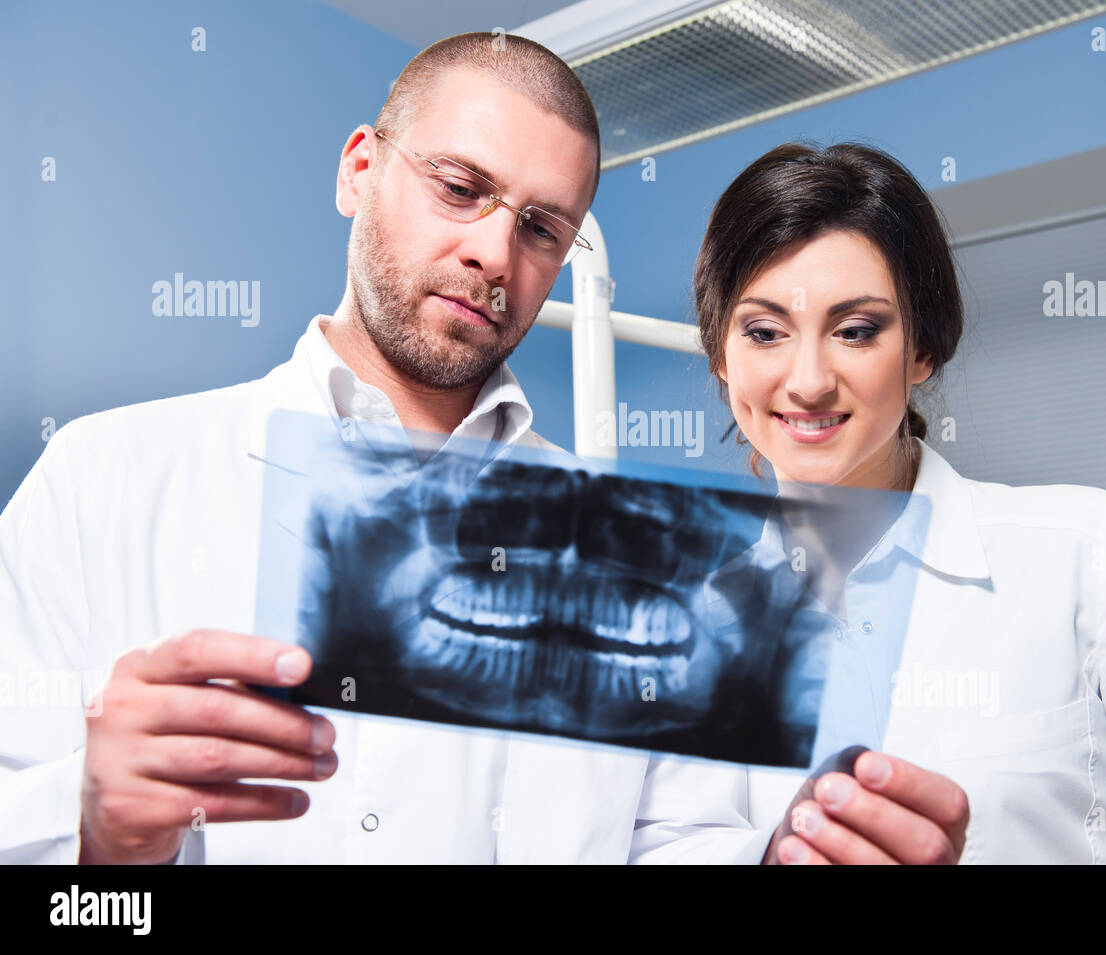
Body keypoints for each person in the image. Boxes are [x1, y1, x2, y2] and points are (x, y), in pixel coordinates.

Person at [0, 33, 965, 865]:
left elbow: (673, 841)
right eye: (461, 188)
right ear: (359, 168)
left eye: (543, 229)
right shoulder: (103, 483)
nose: (495, 256)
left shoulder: (628, 548)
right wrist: (88, 836)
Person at [692, 141, 1106, 864]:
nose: (809, 380)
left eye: (857, 330)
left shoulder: (1091, 551)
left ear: (924, 349)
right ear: (722, 356)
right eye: (765, 333)